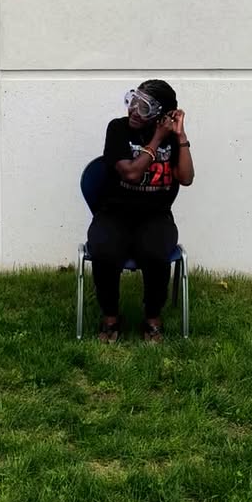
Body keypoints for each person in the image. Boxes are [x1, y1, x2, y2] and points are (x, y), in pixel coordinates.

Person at [87, 80, 194, 343]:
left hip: (156, 215)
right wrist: (157, 139)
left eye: (144, 107)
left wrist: (180, 137)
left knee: (155, 252)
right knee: (105, 250)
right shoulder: (118, 129)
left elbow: (186, 177)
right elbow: (132, 174)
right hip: (114, 212)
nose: (134, 110)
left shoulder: (172, 139)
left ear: (161, 115)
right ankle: (110, 317)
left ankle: (152, 318)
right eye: (133, 102)